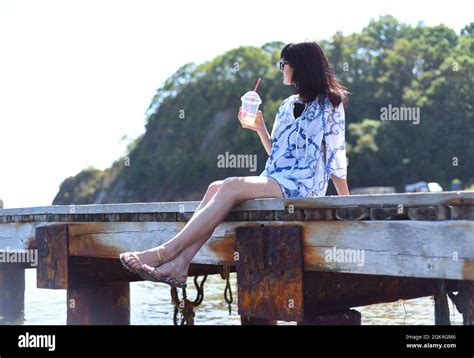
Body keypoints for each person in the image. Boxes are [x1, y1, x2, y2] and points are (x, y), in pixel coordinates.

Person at [119, 41, 350, 288]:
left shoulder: (331, 104)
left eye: (284, 64)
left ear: (301, 67)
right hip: (278, 179)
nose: (281, 69)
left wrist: (346, 203)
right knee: (215, 187)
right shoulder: (286, 106)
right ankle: (180, 264)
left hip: (305, 186)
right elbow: (277, 157)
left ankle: (164, 252)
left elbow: (336, 157)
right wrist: (260, 129)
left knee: (230, 185)